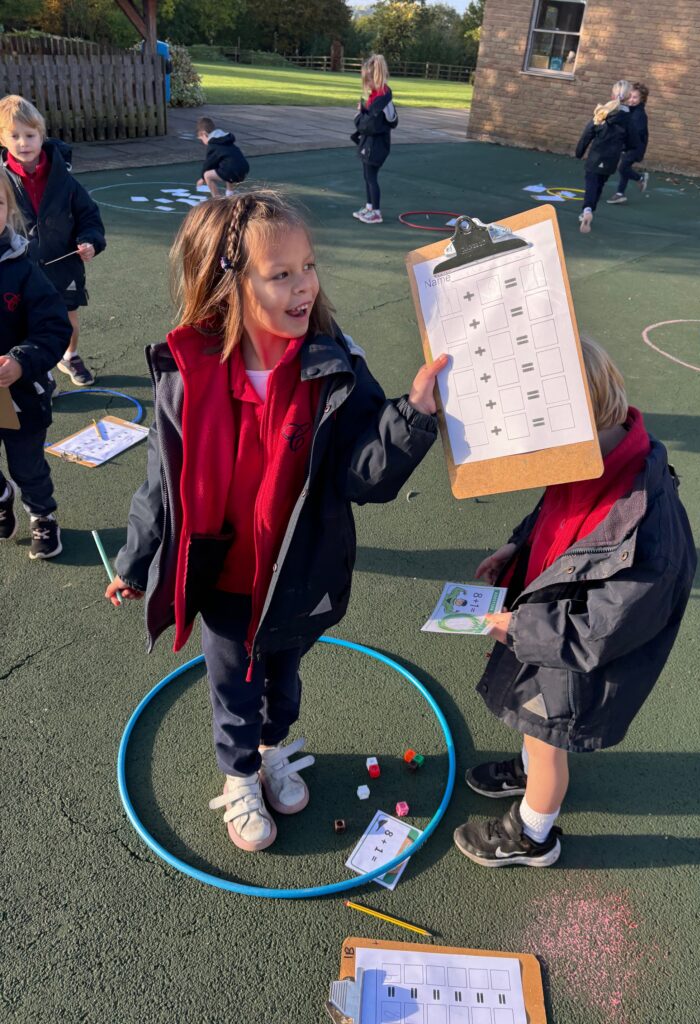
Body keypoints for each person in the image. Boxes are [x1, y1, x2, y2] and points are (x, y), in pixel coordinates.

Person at [104, 189, 448, 852]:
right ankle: (238, 773)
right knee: (234, 685)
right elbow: (161, 483)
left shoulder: (333, 362)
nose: (304, 286)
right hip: (224, 577)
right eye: (281, 274)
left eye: (309, 266)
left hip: (300, 573)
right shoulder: (189, 372)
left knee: (283, 680)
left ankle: (272, 748)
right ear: (226, 285)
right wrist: (134, 562)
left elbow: (363, 478)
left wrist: (414, 415)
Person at [453, 335, 697, 867]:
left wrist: (520, 631)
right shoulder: (590, 459)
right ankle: (532, 772)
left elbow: (603, 629)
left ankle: (532, 834)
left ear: (578, 425)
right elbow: (551, 510)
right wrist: (515, 546)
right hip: (550, 620)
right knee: (535, 729)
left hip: (576, 656)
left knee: (547, 739)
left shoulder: (649, 525)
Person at [0, 94, 106, 387]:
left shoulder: (64, 179)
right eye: (15, 136)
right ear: (2, 139)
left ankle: (69, 356)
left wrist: (90, 241)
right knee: (25, 322)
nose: (24, 143)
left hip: (63, 264)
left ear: (41, 135)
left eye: (30, 135)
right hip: (18, 266)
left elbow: (89, 216)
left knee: (68, 318)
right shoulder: (2, 180)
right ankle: (38, 368)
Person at [0, 168, 72, 559]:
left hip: (21, 393)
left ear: (8, 210)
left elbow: (53, 328)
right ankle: (1, 495)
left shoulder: (24, 269)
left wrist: (20, 361)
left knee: (29, 465)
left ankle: (42, 515)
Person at [574, 81, 641, 234]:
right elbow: (634, 142)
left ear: (612, 95)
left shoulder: (602, 113)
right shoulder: (628, 120)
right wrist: (623, 146)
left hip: (596, 156)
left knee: (591, 183)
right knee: (599, 185)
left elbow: (588, 133)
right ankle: (589, 211)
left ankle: (587, 209)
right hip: (611, 159)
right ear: (628, 97)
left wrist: (579, 152)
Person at [351, 54, 397, 225]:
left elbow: (369, 125)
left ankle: (376, 212)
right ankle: (369, 207)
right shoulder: (377, 98)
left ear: (374, 78)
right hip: (370, 144)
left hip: (376, 146)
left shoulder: (382, 100)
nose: (366, 85)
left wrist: (359, 115)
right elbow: (372, 120)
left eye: (367, 81)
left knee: (371, 177)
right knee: (367, 176)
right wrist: (364, 111)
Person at [607, 82, 651, 205]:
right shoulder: (628, 110)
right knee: (625, 168)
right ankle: (620, 194)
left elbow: (636, 132)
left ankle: (640, 178)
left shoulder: (639, 114)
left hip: (636, 146)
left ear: (641, 99)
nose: (631, 100)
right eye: (630, 96)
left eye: (635, 97)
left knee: (623, 167)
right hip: (627, 145)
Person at [195, 117, 250, 198]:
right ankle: (230, 193)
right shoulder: (224, 139)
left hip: (233, 171)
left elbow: (209, 164)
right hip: (243, 168)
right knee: (226, 164)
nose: (203, 142)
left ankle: (217, 199)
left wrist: (202, 178)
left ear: (204, 134)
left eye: (201, 139)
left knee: (207, 175)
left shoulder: (213, 145)